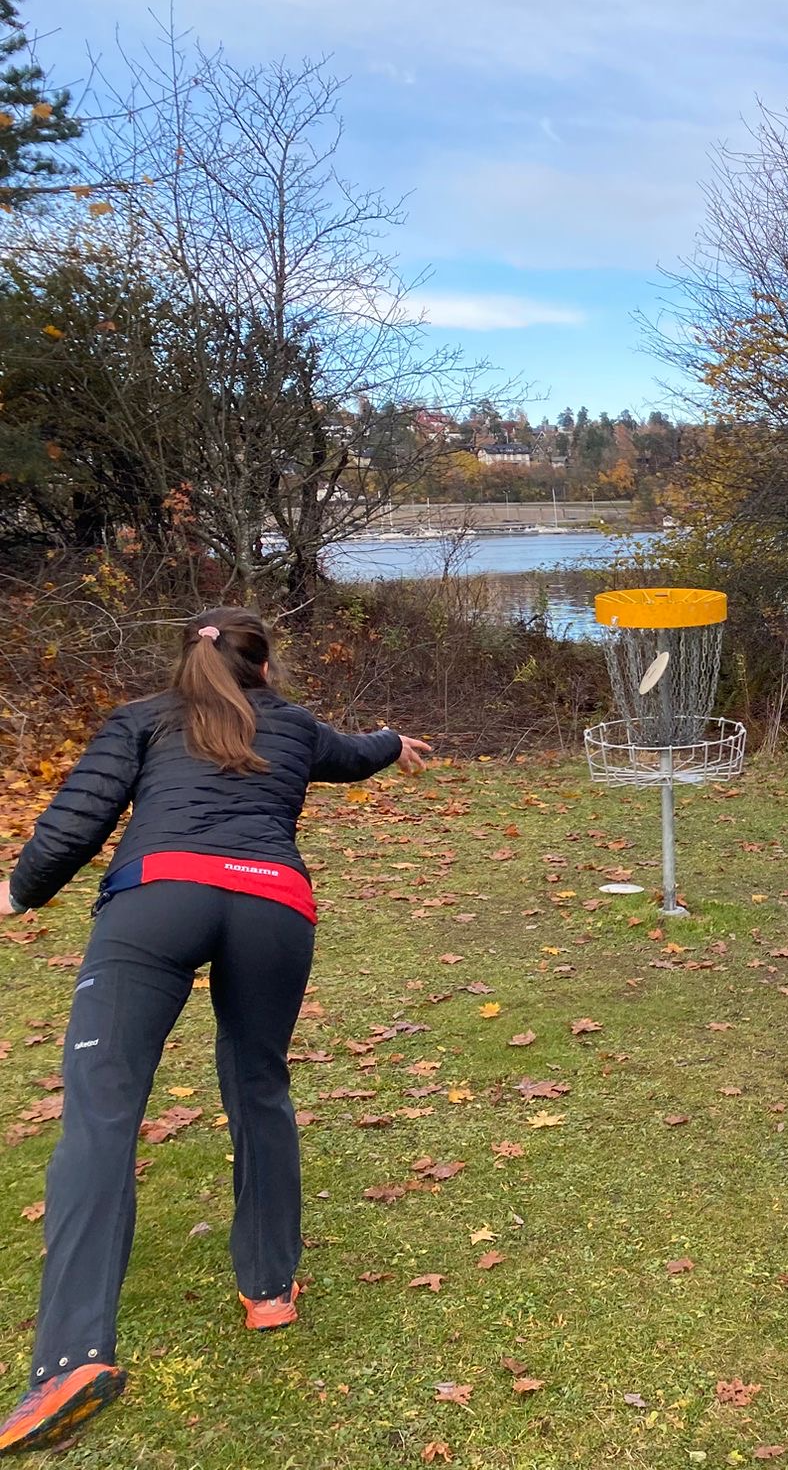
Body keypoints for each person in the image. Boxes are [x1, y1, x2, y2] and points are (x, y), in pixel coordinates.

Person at [0, 608, 429, 1455]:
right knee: (259, 1085)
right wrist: (396, 742)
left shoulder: (143, 718)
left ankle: (71, 1360)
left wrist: (21, 891)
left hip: (158, 900)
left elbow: (80, 815)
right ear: (265, 668)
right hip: (274, 904)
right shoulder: (297, 726)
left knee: (103, 1111)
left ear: (188, 664)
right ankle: (269, 1289)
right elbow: (354, 753)